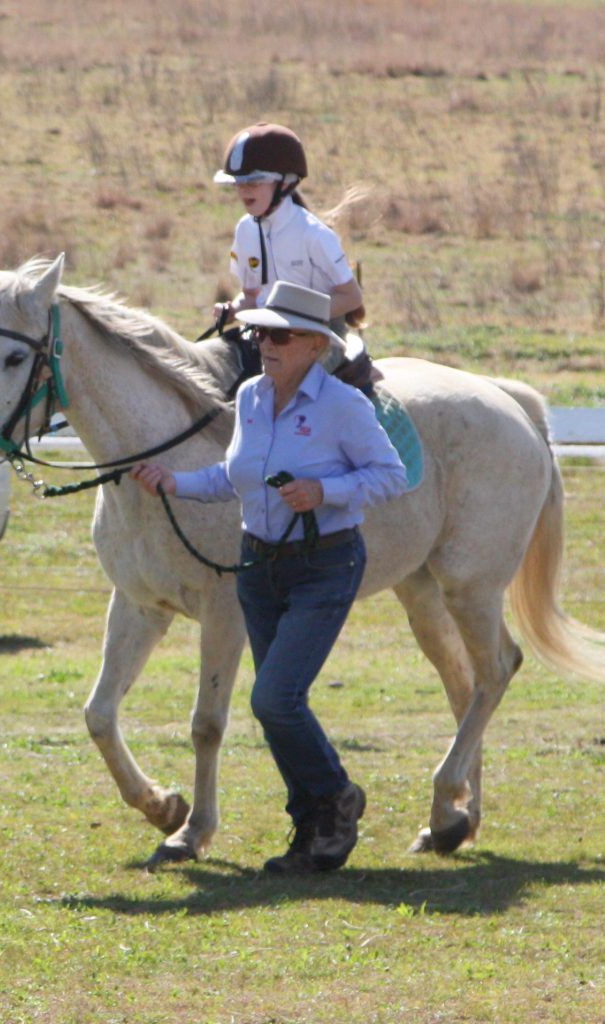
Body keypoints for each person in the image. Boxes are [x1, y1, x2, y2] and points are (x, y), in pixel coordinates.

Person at [131, 282, 407, 874]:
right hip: (259, 568)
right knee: (276, 705)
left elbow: (391, 474)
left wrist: (324, 491)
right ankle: (314, 828)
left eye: (279, 334)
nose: (264, 343)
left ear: (313, 344)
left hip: (324, 565)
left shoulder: (342, 405)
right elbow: (236, 478)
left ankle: (336, 799)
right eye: (258, 331)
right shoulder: (252, 397)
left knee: (274, 698)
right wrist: (175, 482)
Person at [212, 122, 365, 354]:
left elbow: (352, 297)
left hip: (320, 338)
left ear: (284, 183)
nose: (244, 191)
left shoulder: (314, 235)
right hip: (265, 335)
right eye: (238, 183)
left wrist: (297, 318)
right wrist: (232, 309)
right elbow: (251, 296)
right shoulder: (245, 230)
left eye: (253, 182)